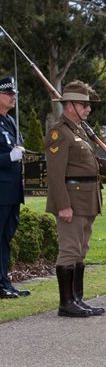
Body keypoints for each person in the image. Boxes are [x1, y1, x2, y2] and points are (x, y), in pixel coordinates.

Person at [45, 80, 106, 317]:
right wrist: (63, 206)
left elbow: (87, 164)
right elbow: (55, 173)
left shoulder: (79, 130)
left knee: (81, 249)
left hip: (87, 199)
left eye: (88, 105)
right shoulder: (59, 132)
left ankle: (77, 298)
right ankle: (66, 303)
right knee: (69, 250)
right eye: (83, 105)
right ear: (69, 105)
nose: (88, 109)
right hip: (72, 199)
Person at [0, 76, 29, 299]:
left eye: (14, 94)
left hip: (12, 192)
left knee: (6, 238)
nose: (13, 97)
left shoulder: (9, 120)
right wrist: (8, 156)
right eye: (9, 93)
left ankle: (5, 282)